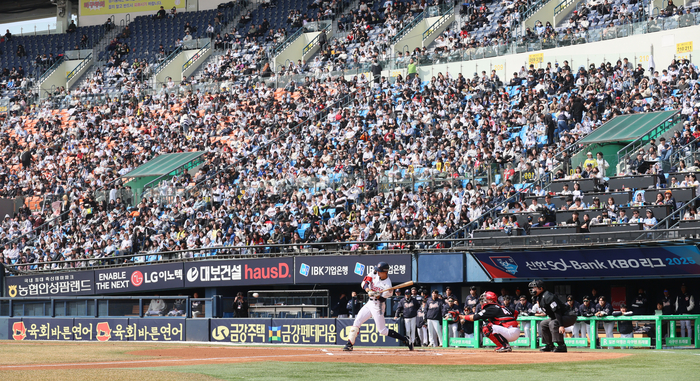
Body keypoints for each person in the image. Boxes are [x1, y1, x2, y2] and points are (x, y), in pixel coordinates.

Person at [343, 262, 413, 351]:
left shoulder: (388, 285)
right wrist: (368, 290)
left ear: (385, 272)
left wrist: (378, 295)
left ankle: (405, 340)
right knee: (357, 321)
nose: (378, 272)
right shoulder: (374, 273)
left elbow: (382, 299)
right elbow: (364, 283)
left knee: (382, 330)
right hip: (369, 303)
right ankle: (349, 344)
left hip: (378, 306)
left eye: (380, 271)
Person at [529, 279, 576, 352]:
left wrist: (561, 325)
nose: (533, 290)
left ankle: (561, 345)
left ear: (541, 288)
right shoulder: (540, 297)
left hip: (569, 315)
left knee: (553, 323)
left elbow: (557, 311)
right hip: (559, 316)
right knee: (543, 323)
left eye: (534, 288)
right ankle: (549, 345)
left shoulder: (548, 296)